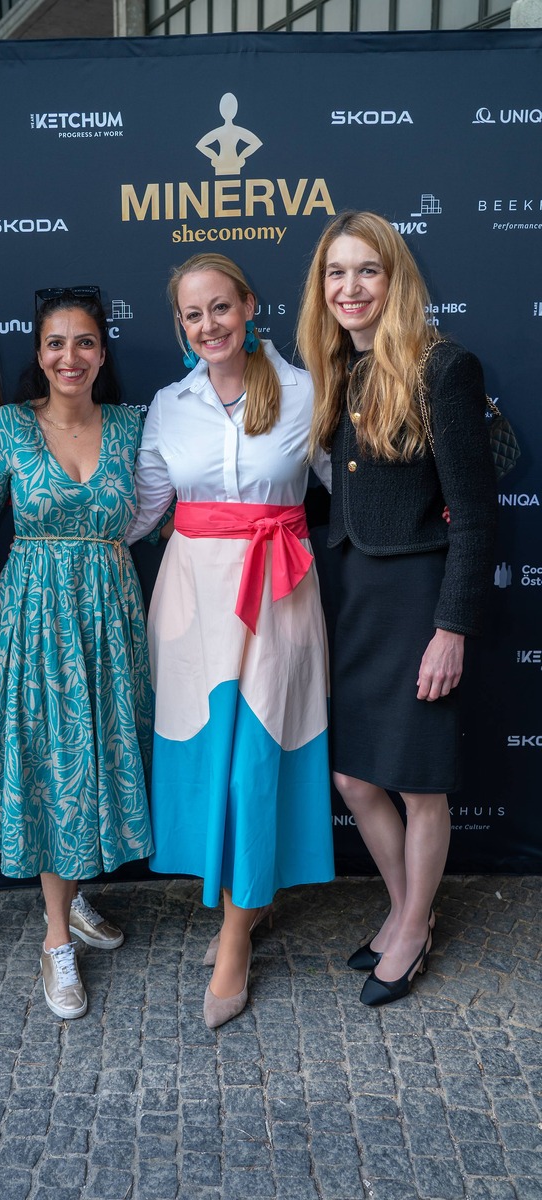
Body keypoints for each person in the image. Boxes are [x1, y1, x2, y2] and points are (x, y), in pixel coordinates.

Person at [127, 253, 334, 1029]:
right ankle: (247, 897)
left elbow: (350, 484)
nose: (209, 324)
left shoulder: (306, 391)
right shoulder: (168, 406)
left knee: (256, 763)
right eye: (193, 314)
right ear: (181, 326)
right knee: (213, 759)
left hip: (278, 597)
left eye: (220, 307)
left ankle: (237, 937)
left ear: (248, 305)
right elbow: (141, 512)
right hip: (192, 604)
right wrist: (64, 536)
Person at [296, 211, 497, 1006]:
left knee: (419, 785)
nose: (349, 287)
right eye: (336, 272)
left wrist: (452, 629)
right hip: (354, 596)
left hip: (418, 599)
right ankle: (410, 905)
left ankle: (411, 930)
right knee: (353, 779)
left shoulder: (443, 367)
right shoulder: (336, 368)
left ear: (395, 278)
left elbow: (475, 515)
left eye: (366, 270)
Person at [0, 287, 153, 1020]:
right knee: (52, 763)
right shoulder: (5, 427)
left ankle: (74, 898)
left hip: (110, 617)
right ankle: (55, 940)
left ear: (102, 353)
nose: (70, 356)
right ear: (39, 353)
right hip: (35, 619)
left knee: (97, 758)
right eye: (56, 342)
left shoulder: (134, 425)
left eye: (84, 342)